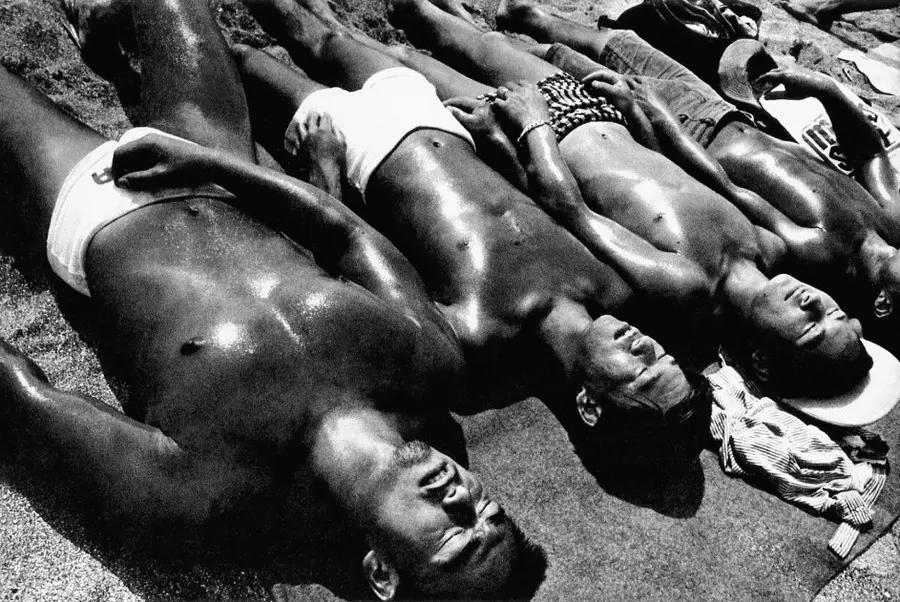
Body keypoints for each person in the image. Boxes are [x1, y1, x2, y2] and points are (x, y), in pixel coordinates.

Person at [0, 0, 548, 599]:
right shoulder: (428, 368)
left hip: (97, 207)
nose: (462, 500)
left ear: (381, 572)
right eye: (488, 511)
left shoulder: (211, 491)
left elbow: (26, 396)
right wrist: (208, 163)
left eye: (454, 538)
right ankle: (102, 32)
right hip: (222, 166)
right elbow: (346, 235)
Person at [218, 0, 718, 466]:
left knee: (238, 59)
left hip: (359, 153)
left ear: (590, 406)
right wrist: (501, 139)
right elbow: (557, 202)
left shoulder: (478, 346)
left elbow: (352, 261)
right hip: (444, 125)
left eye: (641, 372)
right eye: (663, 354)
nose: (645, 346)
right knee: (325, 35)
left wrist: (323, 167)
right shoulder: (615, 286)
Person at [364, 0, 873, 400]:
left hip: (547, 135)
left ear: (761, 360)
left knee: (408, 57)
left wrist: (530, 125)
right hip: (600, 117)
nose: (816, 304)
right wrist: (649, 115)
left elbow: (574, 215)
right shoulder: (771, 251)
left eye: (809, 329)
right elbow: (711, 178)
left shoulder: (689, 289)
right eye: (833, 314)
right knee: (464, 36)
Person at [492, 0, 900, 355]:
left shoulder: (822, 255)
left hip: (696, 138)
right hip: (735, 118)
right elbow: (870, 153)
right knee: (629, 49)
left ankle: (503, 38)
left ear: (884, 303)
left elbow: (730, 189)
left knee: (587, 68)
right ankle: (527, 20)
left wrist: (661, 120)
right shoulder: (891, 221)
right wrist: (827, 89)